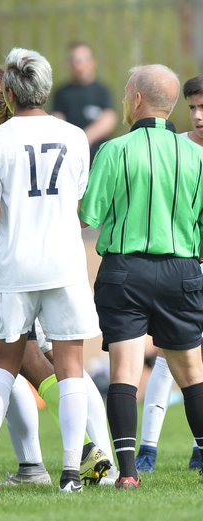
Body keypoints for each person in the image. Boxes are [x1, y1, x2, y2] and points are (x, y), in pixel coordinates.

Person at [0, 47, 101, 492]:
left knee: (4, 362)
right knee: (71, 366)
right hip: (64, 264)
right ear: (45, 87)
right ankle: (73, 472)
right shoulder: (76, 136)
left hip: (15, 265)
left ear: (8, 92)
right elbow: (80, 209)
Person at [80, 65, 203, 489]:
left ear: (135, 100)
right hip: (182, 271)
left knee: (124, 373)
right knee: (192, 371)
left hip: (125, 271)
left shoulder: (114, 150)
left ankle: (129, 474)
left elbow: (88, 213)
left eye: (125, 93)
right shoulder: (197, 155)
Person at [136, 74, 203, 474]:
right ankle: (148, 449)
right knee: (168, 354)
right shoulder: (175, 149)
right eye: (193, 107)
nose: (198, 115)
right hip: (186, 267)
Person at [52, 42, 117, 162]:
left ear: (93, 62)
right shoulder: (61, 93)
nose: (80, 66)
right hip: (70, 159)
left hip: (99, 159)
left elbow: (109, 119)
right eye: (76, 61)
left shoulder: (102, 91)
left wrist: (85, 138)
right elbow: (57, 120)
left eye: (84, 60)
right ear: (69, 65)